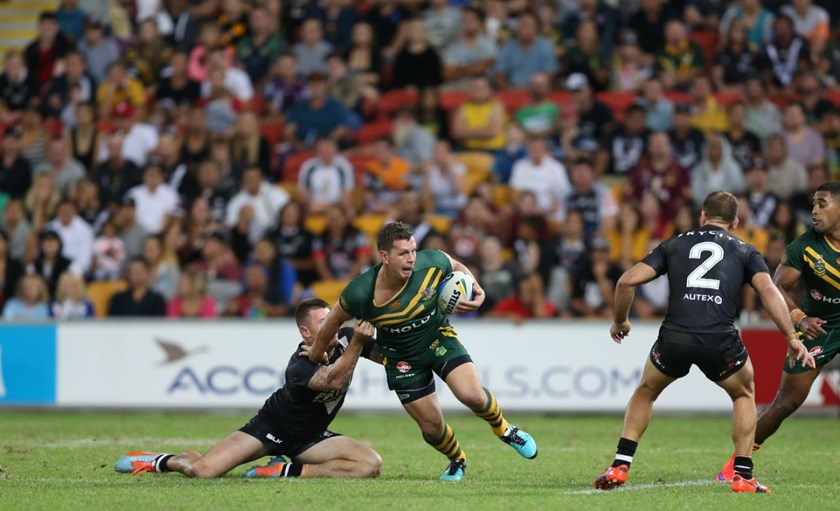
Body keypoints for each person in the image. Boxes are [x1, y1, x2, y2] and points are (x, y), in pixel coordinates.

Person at [593, 191, 815, 494]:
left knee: (646, 389)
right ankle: (743, 475)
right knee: (743, 394)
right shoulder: (746, 251)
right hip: (720, 340)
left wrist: (621, 321)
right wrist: (791, 336)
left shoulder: (674, 243)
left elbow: (626, 281)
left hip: (675, 337)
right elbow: (769, 292)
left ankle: (620, 463)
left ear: (702, 216)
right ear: (735, 222)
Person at [307, 222, 538, 482]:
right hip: (400, 357)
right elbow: (334, 321)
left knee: (471, 395)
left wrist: (477, 288)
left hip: (437, 337)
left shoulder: (431, 261)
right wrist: (316, 354)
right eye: (403, 254)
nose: (411, 259)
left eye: (413, 251)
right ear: (384, 256)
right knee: (431, 428)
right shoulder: (361, 292)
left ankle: (505, 430)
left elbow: (456, 266)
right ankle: (457, 459)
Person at [114, 299, 383, 479]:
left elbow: (387, 356)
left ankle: (284, 471)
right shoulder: (299, 366)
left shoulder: (347, 339)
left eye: (333, 318)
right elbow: (334, 380)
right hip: (271, 427)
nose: (333, 325)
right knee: (202, 471)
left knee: (371, 465)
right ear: (306, 332)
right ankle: (163, 461)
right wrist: (359, 342)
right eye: (324, 321)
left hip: (311, 438)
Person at [717, 182, 840, 482]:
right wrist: (799, 318)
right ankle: (739, 460)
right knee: (786, 402)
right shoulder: (805, 246)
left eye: (822, 203)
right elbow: (775, 287)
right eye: (812, 204)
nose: (814, 210)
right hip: (819, 328)